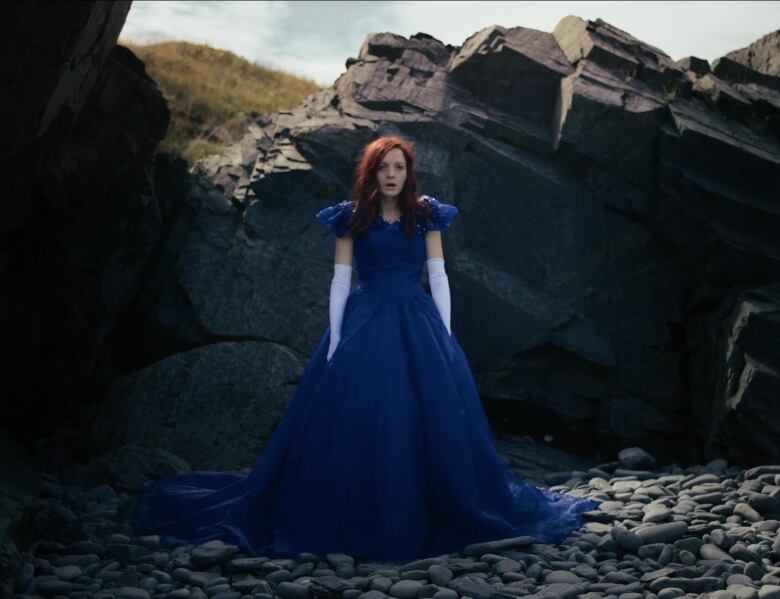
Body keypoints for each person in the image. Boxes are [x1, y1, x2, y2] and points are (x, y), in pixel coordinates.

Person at [133, 135, 599, 563]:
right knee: (360, 413)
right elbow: (340, 280)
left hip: (417, 320)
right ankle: (350, 513)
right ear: (372, 172)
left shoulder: (427, 214)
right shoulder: (350, 217)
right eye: (383, 167)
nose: (392, 174)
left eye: (399, 167)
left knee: (424, 414)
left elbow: (438, 276)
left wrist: (446, 333)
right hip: (364, 320)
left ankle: (424, 504)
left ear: (408, 172)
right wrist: (336, 337)